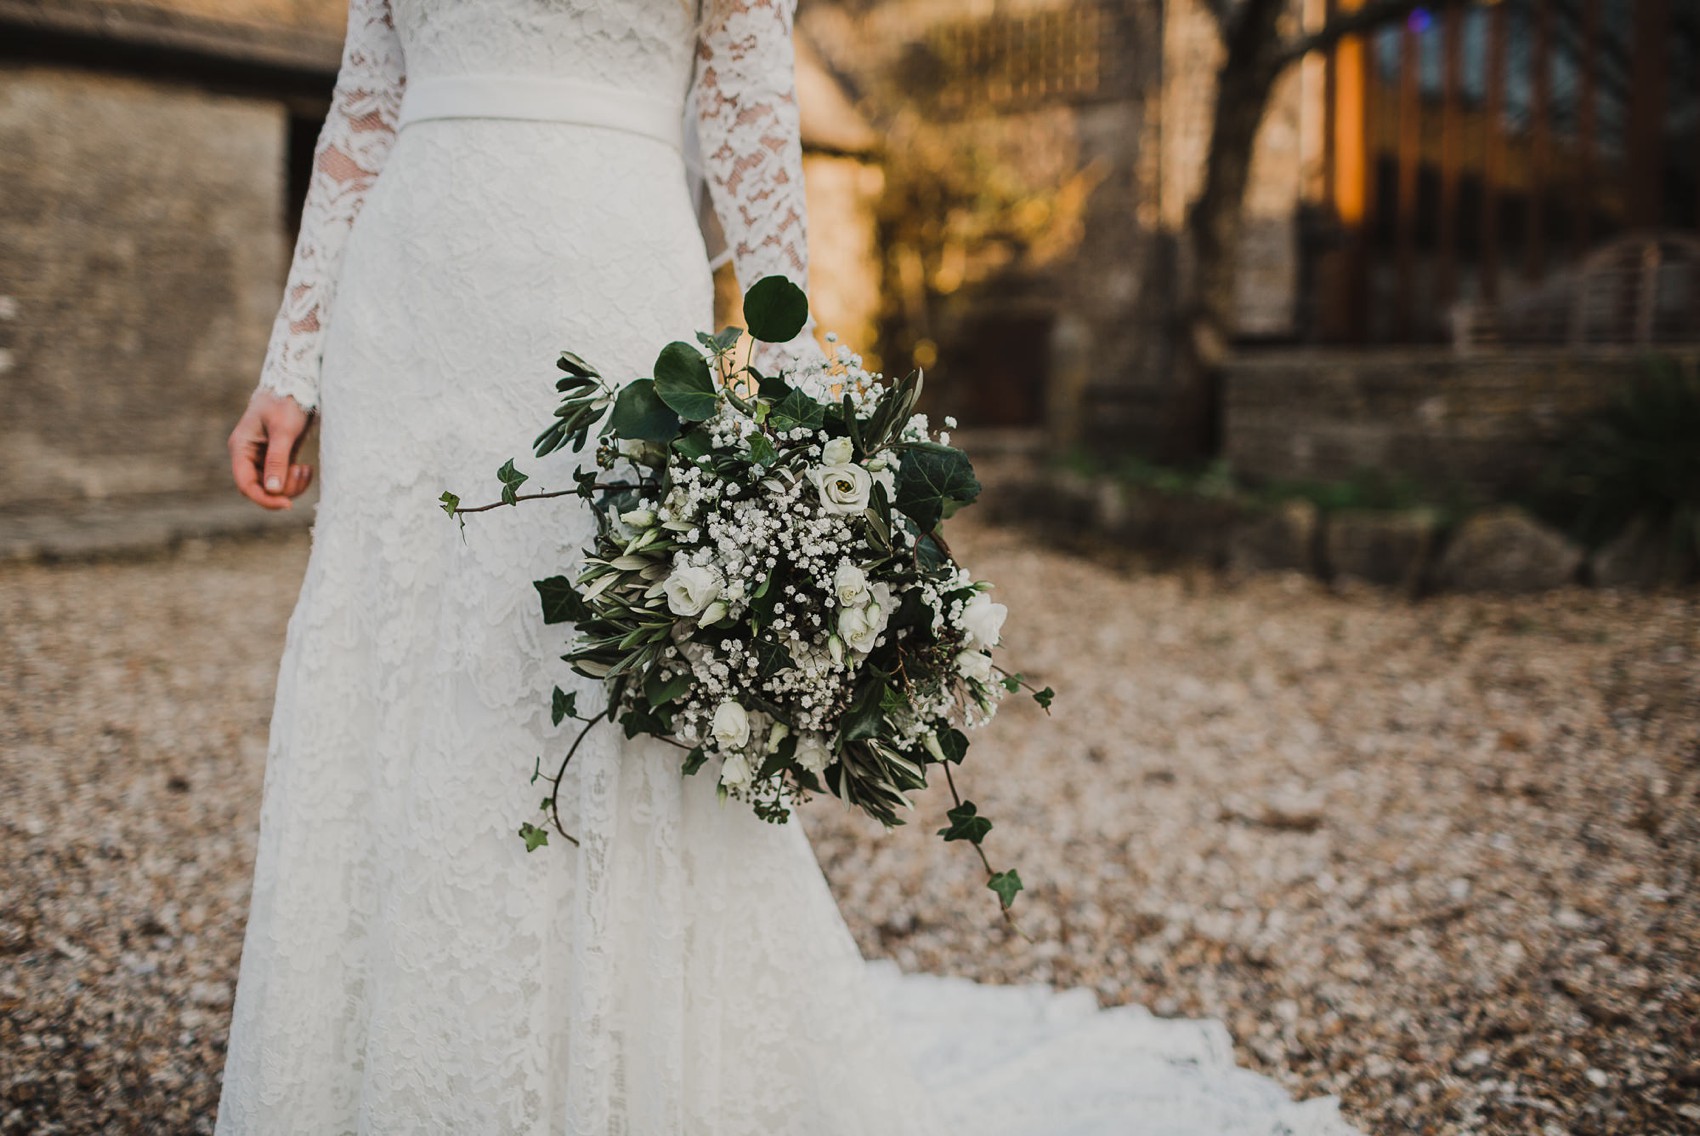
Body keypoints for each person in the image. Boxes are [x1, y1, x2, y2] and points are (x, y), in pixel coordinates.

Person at [219, 0, 1362, 1131]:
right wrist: (294, 360)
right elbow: (364, 106)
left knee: (592, 644)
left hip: (595, 268)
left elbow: (747, 89)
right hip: (404, 297)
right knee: (400, 643)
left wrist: (785, 365)